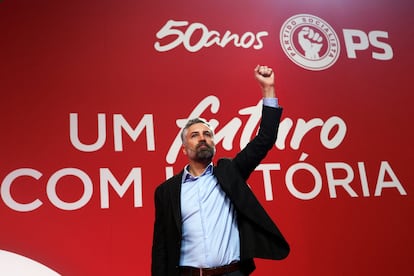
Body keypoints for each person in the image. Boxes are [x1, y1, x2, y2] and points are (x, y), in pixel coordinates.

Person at [151, 65, 290, 276]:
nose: (203, 138)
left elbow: (265, 139)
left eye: (207, 134)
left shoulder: (229, 172)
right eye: (195, 135)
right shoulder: (166, 191)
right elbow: (161, 247)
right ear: (184, 148)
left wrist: (268, 90)